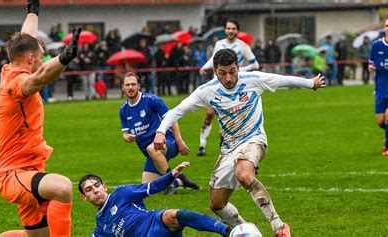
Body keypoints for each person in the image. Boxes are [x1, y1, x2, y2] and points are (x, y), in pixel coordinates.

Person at [153, 48, 325, 237]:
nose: (228, 78)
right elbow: (177, 111)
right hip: (229, 148)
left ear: (238, 68)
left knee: (243, 175)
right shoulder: (206, 91)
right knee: (217, 204)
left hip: (254, 138)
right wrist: (161, 131)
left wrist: (311, 83)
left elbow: (282, 79)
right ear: (214, 71)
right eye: (222, 73)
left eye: (232, 71)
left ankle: (279, 226)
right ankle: (246, 231)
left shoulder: (253, 80)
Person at [0, 1, 81, 236]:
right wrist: (63, 58)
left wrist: (33, 10)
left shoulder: (12, 66)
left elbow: (26, 38)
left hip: (31, 171)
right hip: (14, 175)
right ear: (31, 59)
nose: (44, 59)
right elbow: (39, 79)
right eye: (42, 56)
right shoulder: (16, 83)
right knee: (62, 187)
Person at [79, 161, 233, 237]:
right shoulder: (101, 225)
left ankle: (226, 231)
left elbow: (152, 187)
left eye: (97, 185)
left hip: (153, 221)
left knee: (173, 215)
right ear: (84, 197)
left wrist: (171, 174)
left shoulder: (122, 193)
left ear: (104, 186)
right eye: (89, 190)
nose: (95, 190)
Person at [119, 72, 199, 192]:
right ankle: (179, 181)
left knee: (152, 149)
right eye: (127, 85)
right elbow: (125, 133)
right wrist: (127, 137)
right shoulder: (123, 110)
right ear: (122, 87)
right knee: (147, 187)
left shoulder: (151, 100)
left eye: (133, 84)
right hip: (151, 154)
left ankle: (171, 181)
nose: (130, 87)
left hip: (168, 142)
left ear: (139, 86)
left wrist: (179, 141)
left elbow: (172, 118)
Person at [196, 19, 259, 156]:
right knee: (210, 113)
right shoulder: (219, 43)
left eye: (233, 28)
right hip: (217, 84)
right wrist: (204, 67)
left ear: (237, 30)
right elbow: (214, 59)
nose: (230, 31)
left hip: (233, 86)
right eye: (228, 28)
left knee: (229, 114)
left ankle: (225, 142)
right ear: (225, 30)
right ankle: (202, 145)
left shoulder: (243, 46)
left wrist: (240, 71)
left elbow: (255, 65)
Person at [368, 17, 388, 156]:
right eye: (387, 25)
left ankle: (386, 147)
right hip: (381, 87)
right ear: (384, 28)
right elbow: (371, 62)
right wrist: (371, 67)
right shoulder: (376, 46)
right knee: (381, 121)